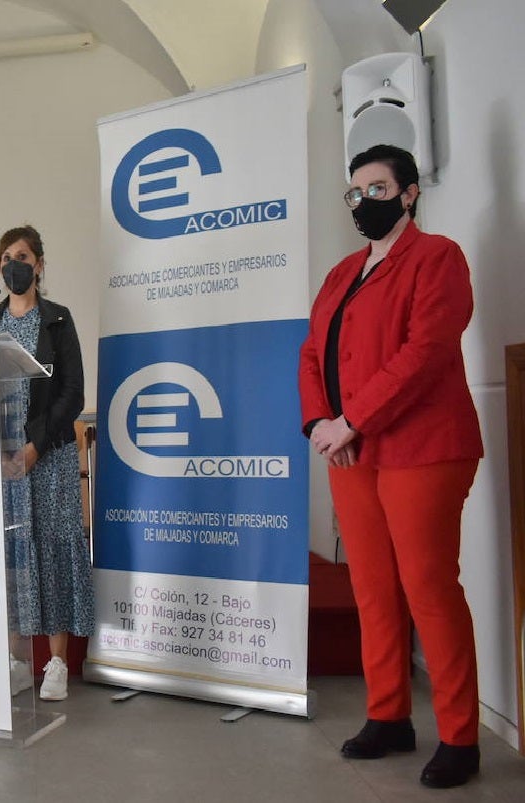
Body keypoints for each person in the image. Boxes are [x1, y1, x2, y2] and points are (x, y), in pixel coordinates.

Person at [299, 144, 484, 789]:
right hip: (352, 451)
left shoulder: (439, 258)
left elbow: (425, 352)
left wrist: (354, 420)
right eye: (356, 191)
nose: (364, 201)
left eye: (377, 188)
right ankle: (389, 717)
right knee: (373, 588)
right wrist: (322, 424)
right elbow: (312, 351)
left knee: (429, 586)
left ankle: (460, 735)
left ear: (408, 193)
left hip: (424, 446)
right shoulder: (342, 272)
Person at [0, 224, 93, 701]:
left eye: (21, 256)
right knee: (11, 557)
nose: (11, 265)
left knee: (53, 550)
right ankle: (16, 660)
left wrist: (33, 448)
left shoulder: (57, 320)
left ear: (39, 264)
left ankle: (56, 662)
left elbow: (73, 393)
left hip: (50, 458)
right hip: (0, 463)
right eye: (4, 257)